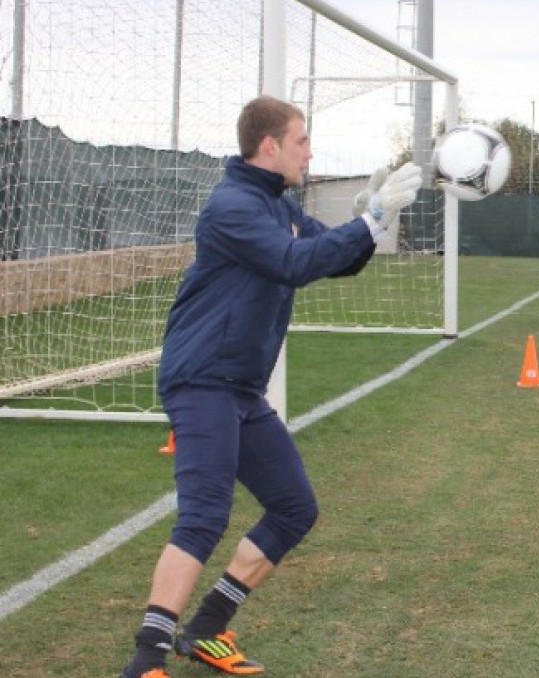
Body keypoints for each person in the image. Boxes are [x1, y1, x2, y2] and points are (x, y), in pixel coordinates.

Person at [119, 95, 421, 678]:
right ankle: (145, 659)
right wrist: (370, 220)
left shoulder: (275, 203)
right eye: (302, 141)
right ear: (270, 145)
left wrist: (367, 219)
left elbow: (329, 259)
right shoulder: (233, 205)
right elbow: (291, 263)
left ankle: (206, 629)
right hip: (202, 378)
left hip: (239, 388)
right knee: (204, 516)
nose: (310, 153)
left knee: (293, 508)